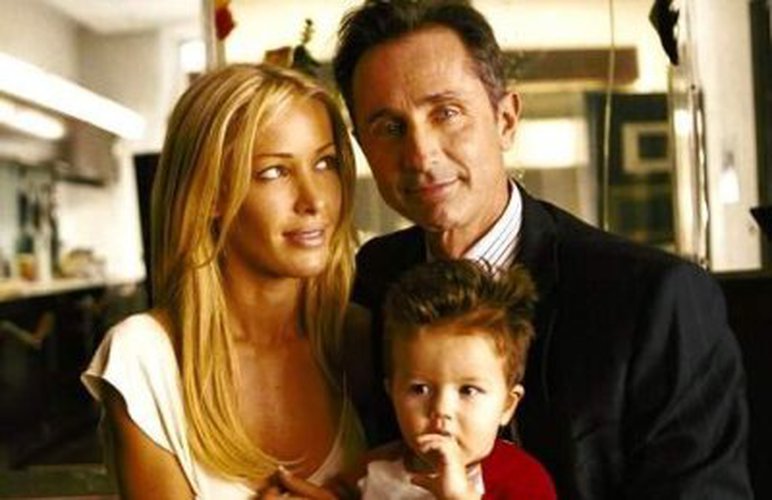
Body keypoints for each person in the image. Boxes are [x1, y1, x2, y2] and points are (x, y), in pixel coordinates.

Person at [331, 0, 752, 498]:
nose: (420, 154)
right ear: (363, 147)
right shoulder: (371, 282)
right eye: (389, 127)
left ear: (506, 119)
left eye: (446, 113)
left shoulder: (654, 300)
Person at [81, 63, 366, 498]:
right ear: (209, 193)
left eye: (325, 163)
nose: (315, 200)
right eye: (275, 172)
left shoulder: (362, 340)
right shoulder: (146, 359)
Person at [355, 259, 556, 499]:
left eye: (468, 390)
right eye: (419, 389)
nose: (441, 409)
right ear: (392, 394)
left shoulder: (522, 480)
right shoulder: (370, 470)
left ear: (507, 405)